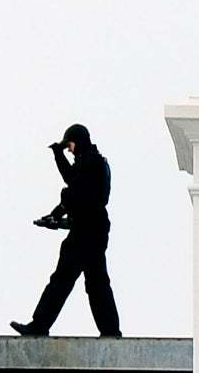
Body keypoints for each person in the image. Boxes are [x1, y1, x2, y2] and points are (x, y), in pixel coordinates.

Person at [11, 122, 121, 338]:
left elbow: (72, 186)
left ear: (76, 142)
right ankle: (110, 332)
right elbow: (77, 194)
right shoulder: (94, 162)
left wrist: (56, 154)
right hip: (93, 229)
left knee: (63, 281)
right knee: (96, 283)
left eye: (69, 145)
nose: (69, 150)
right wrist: (56, 214)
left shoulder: (89, 162)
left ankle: (39, 325)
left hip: (86, 232)